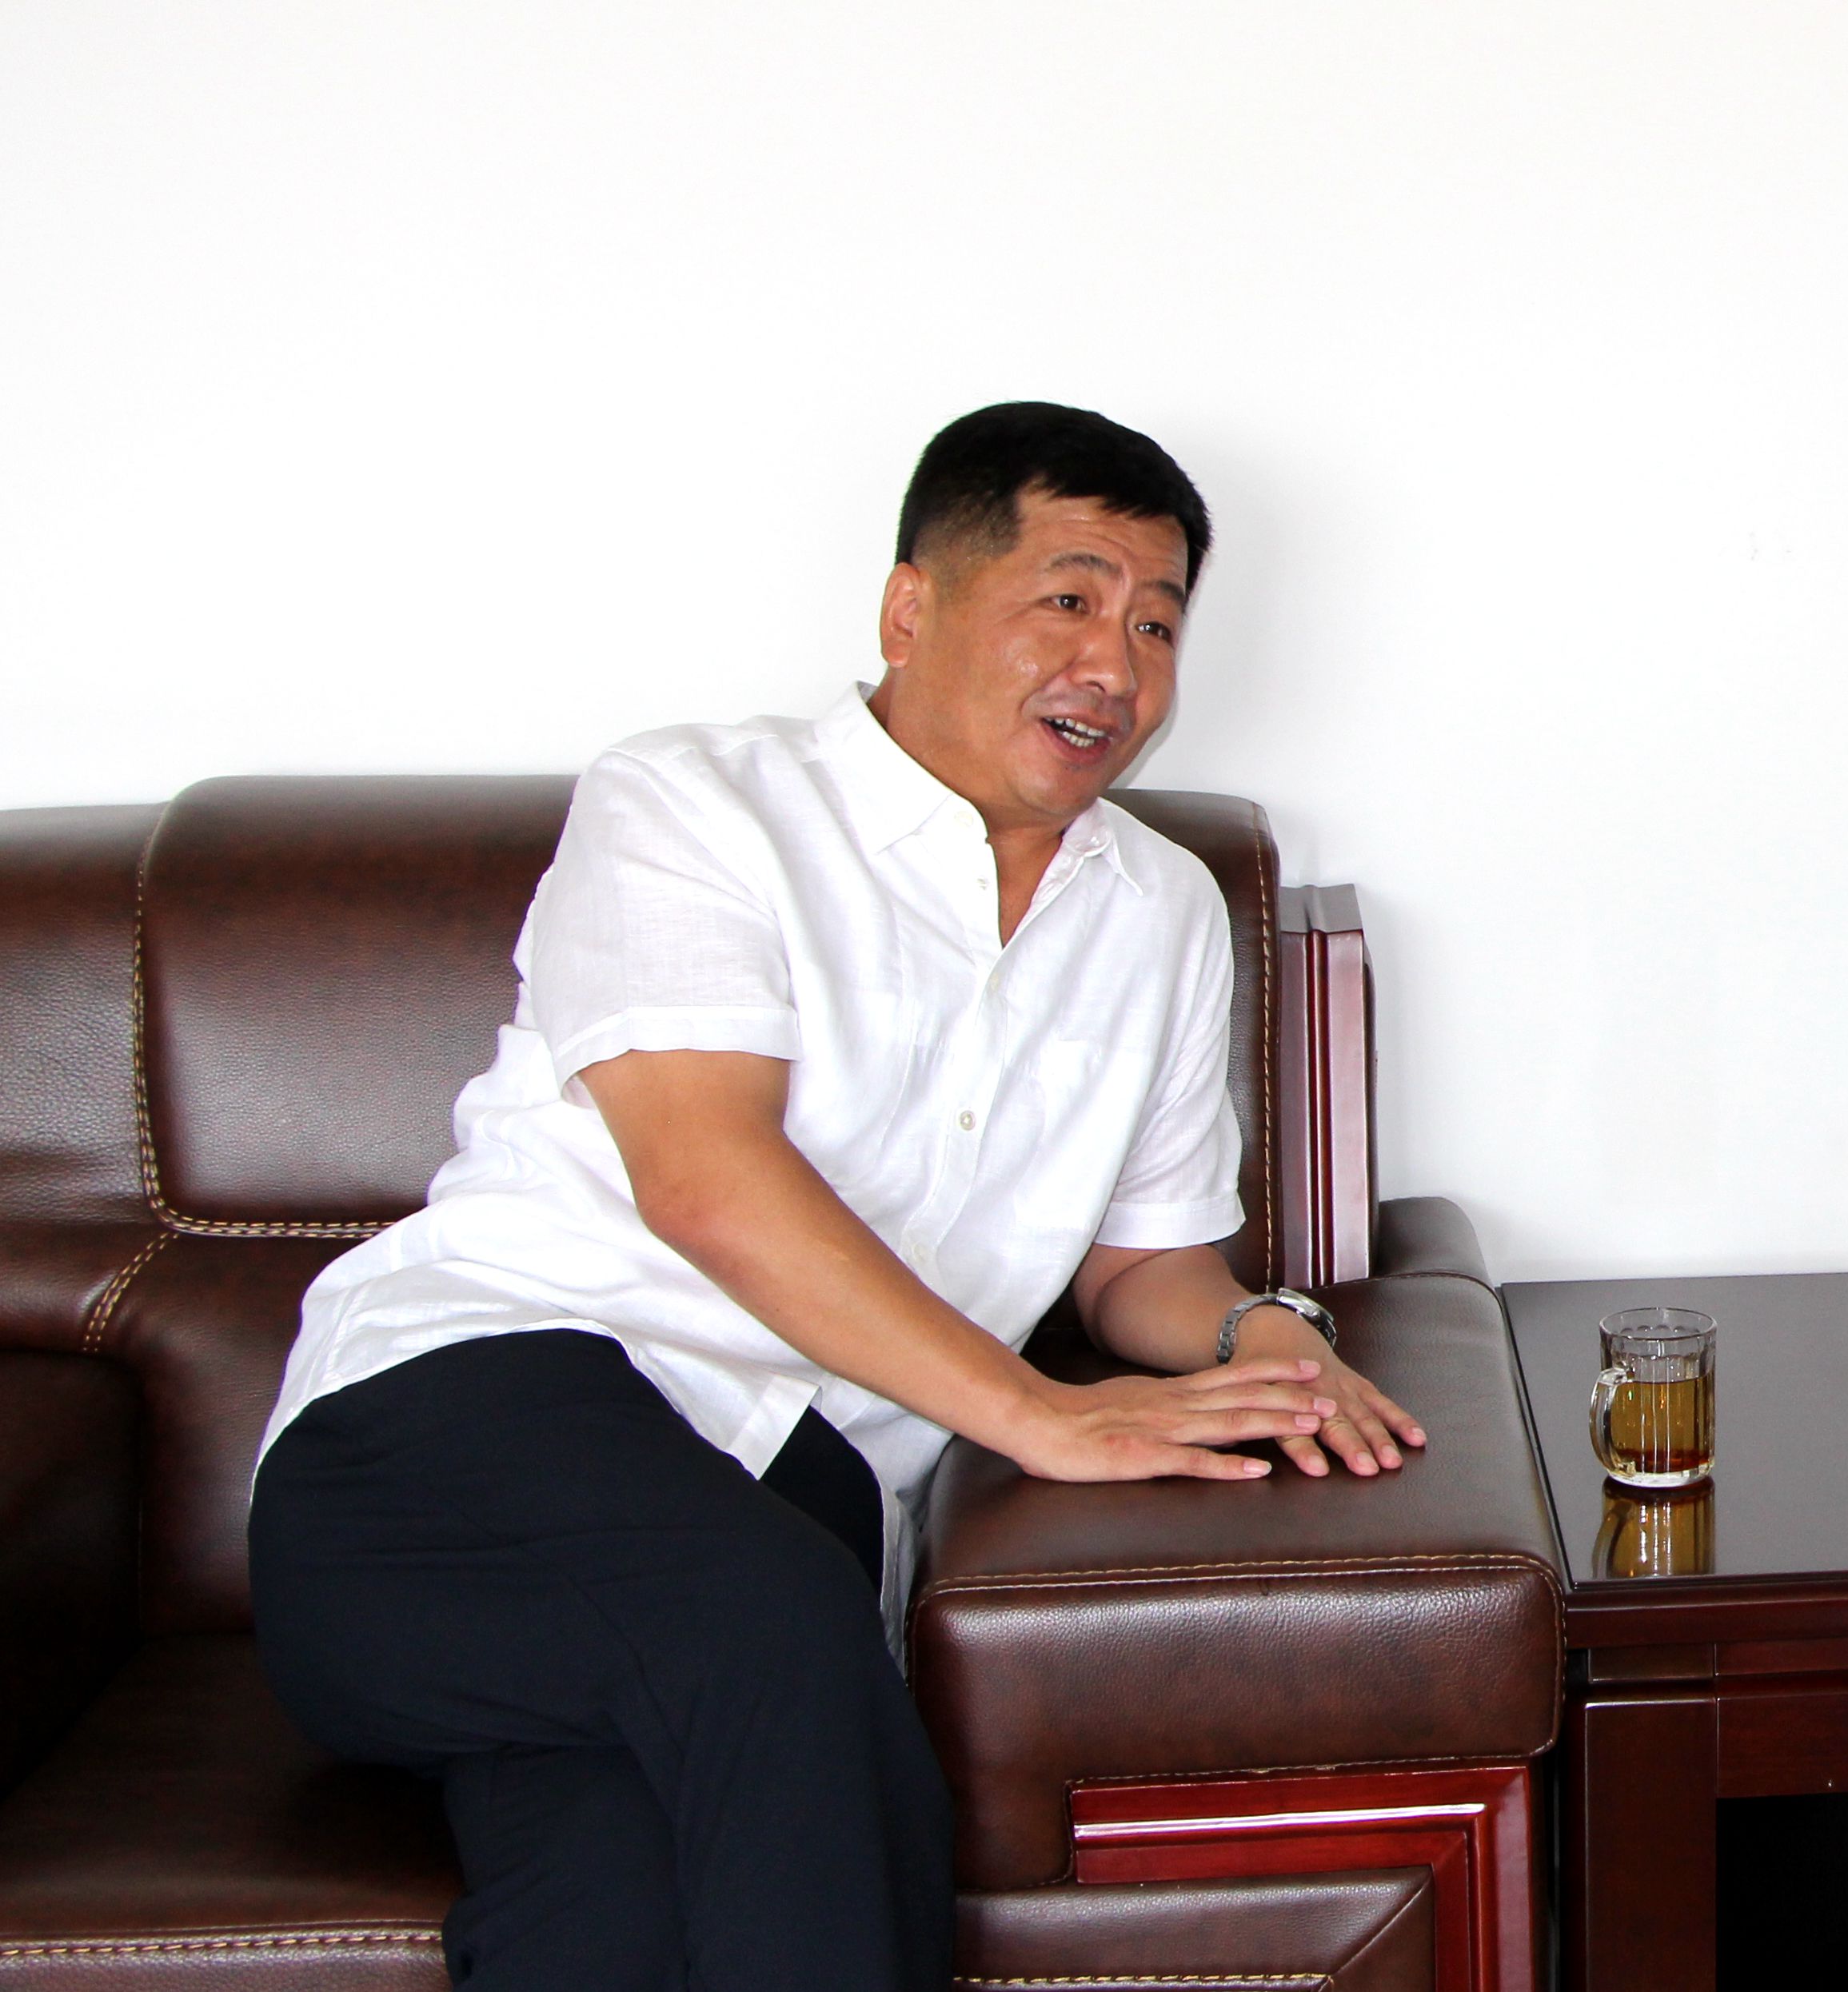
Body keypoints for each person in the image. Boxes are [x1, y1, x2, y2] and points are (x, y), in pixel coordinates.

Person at [248, 401, 1431, 1991]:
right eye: (1068, 599)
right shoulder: (695, 803)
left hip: (787, 1499)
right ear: (908, 609)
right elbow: (704, 1176)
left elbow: (1140, 1264)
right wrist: (1034, 1415)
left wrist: (1257, 1336)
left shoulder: (1159, 911)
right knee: (768, 1633)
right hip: (470, 1426)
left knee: (607, 1900)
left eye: (1157, 625)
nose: (1115, 666)